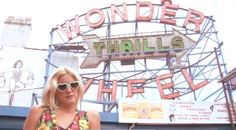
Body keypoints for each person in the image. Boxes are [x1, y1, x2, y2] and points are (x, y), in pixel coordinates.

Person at [23, 66, 101, 130]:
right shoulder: (38, 112)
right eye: (62, 86)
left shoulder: (91, 117)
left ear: (79, 87)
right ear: (53, 91)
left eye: (74, 85)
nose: (69, 90)